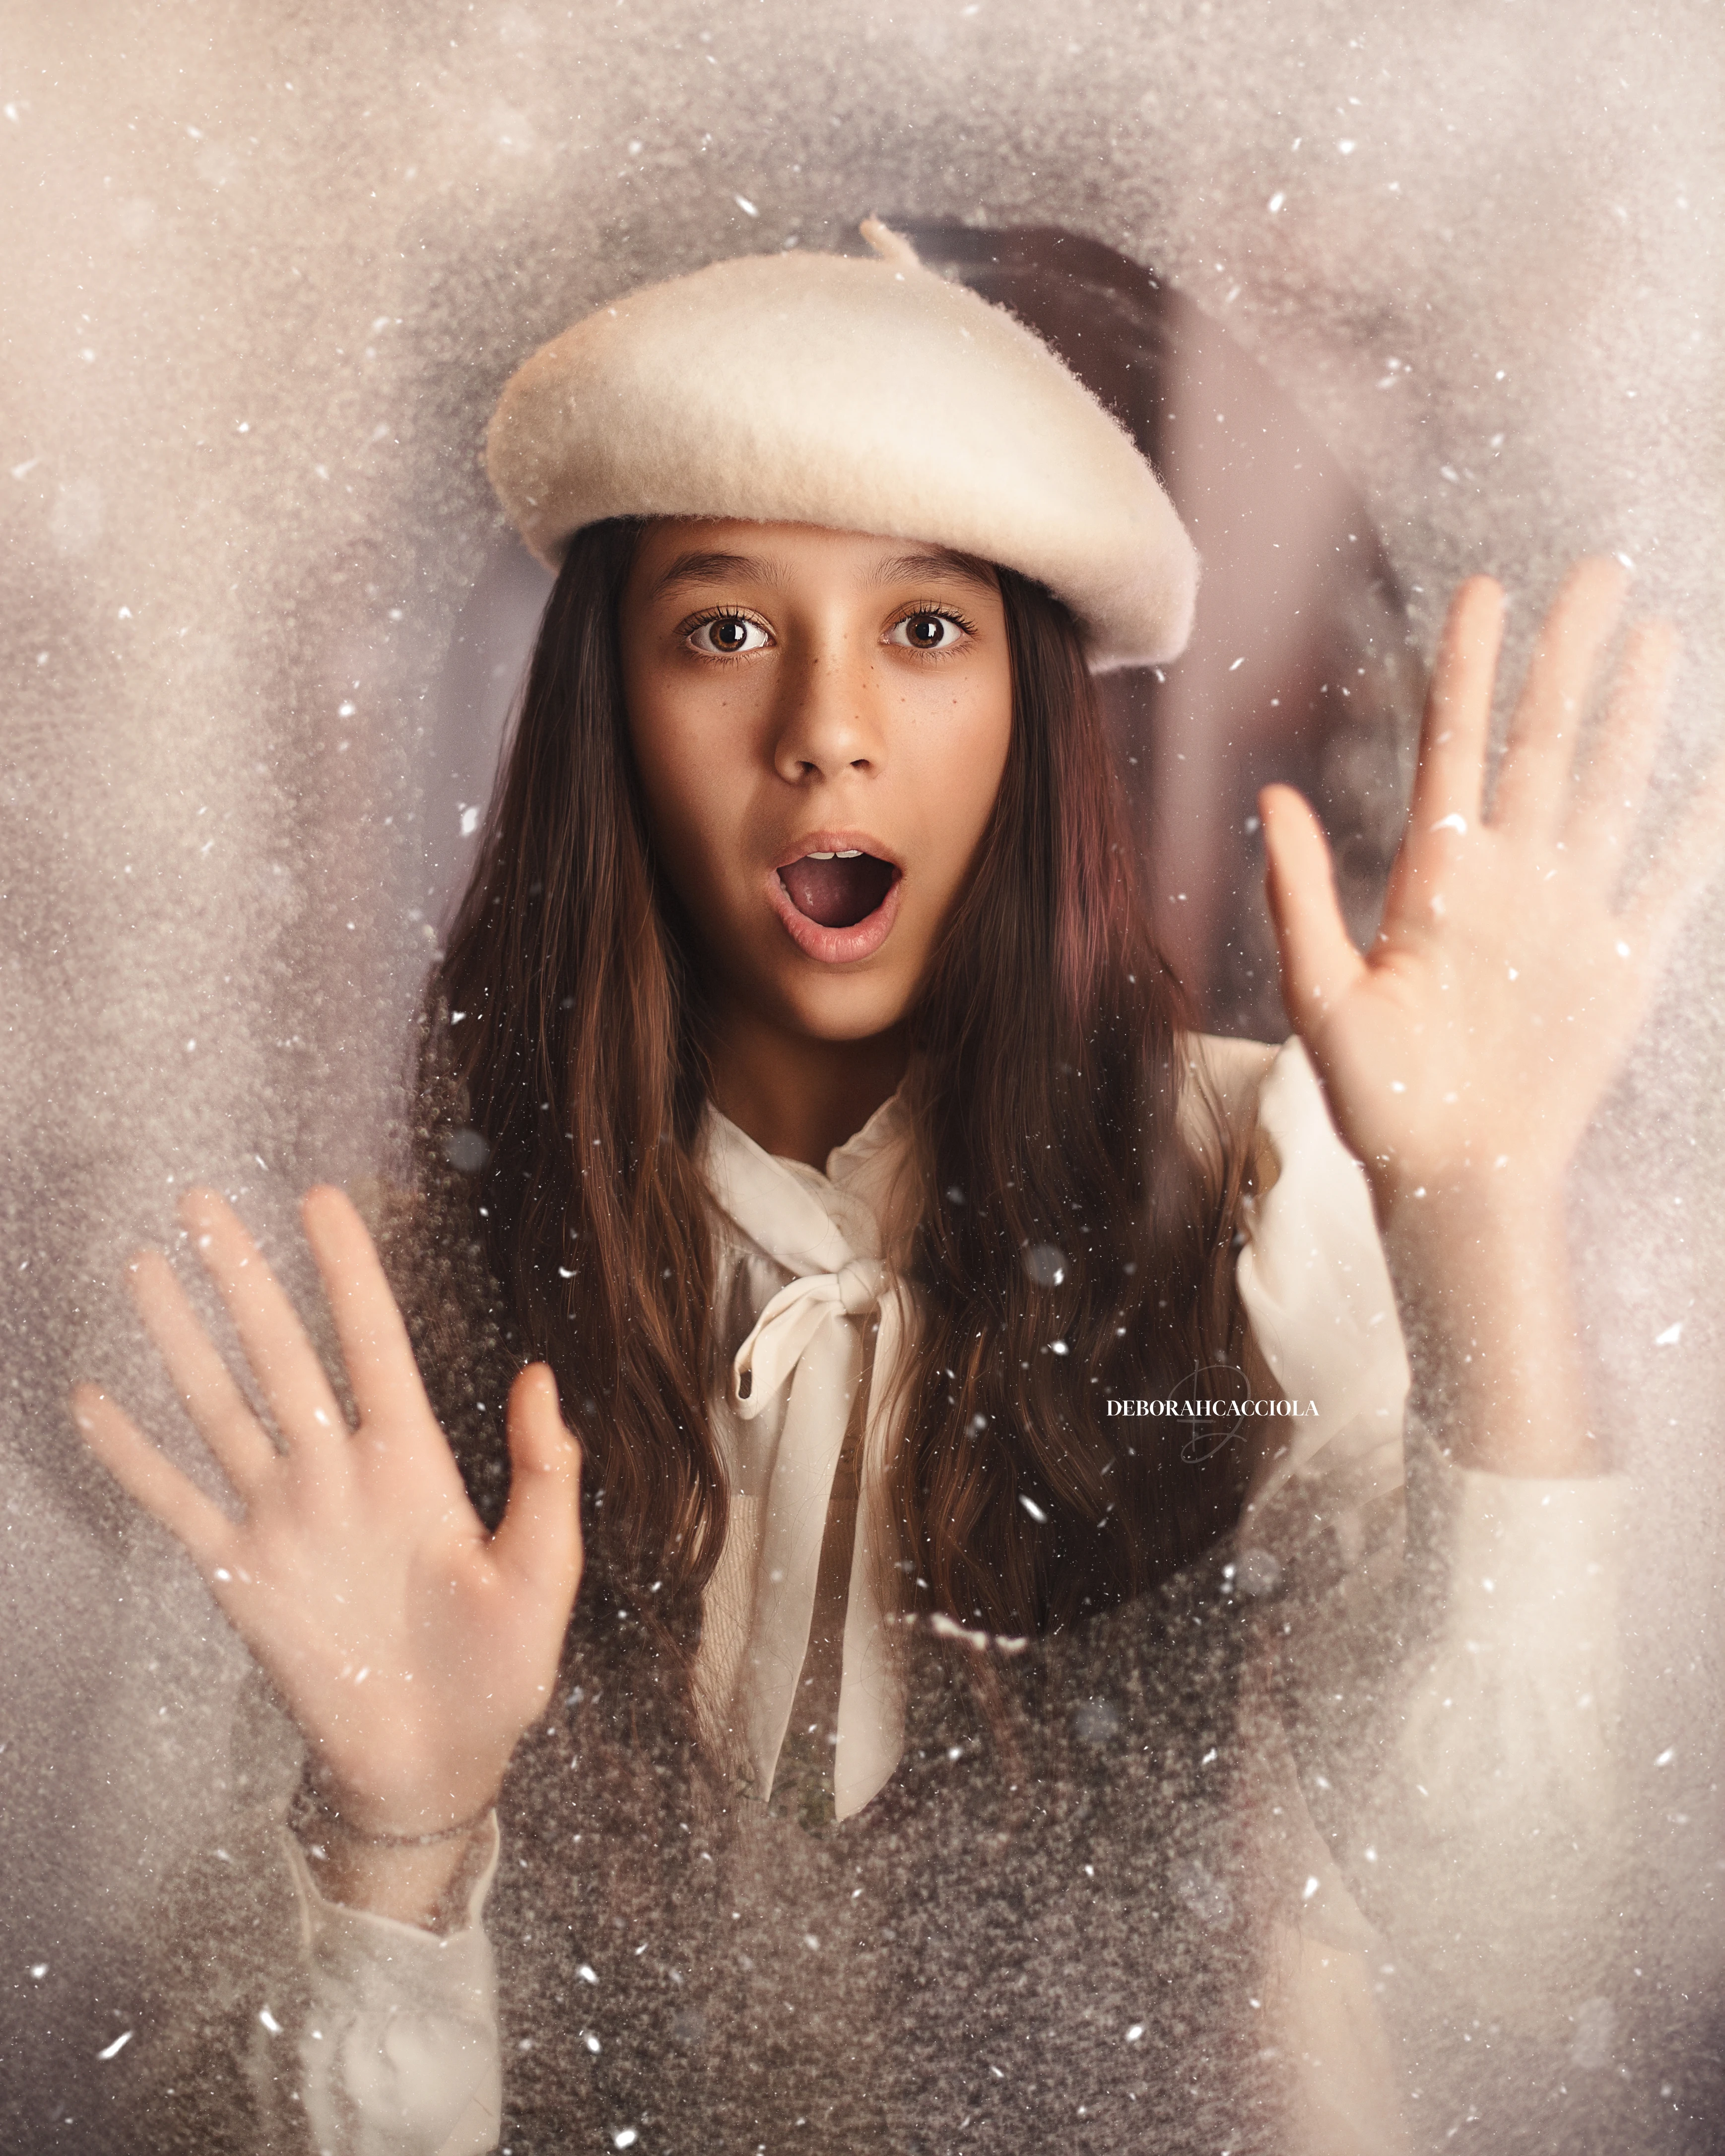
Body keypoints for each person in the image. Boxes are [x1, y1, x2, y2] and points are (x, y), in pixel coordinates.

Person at [73, 222, 1724, 2155]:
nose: (825, 729)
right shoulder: (409, 1291)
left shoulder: (1254, 1188)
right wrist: (400, 1838)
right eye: (723, 628)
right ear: (605, 719)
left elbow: (1520, 1936)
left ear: (1029, 718)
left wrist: (1477, 1217)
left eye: (923, 631)